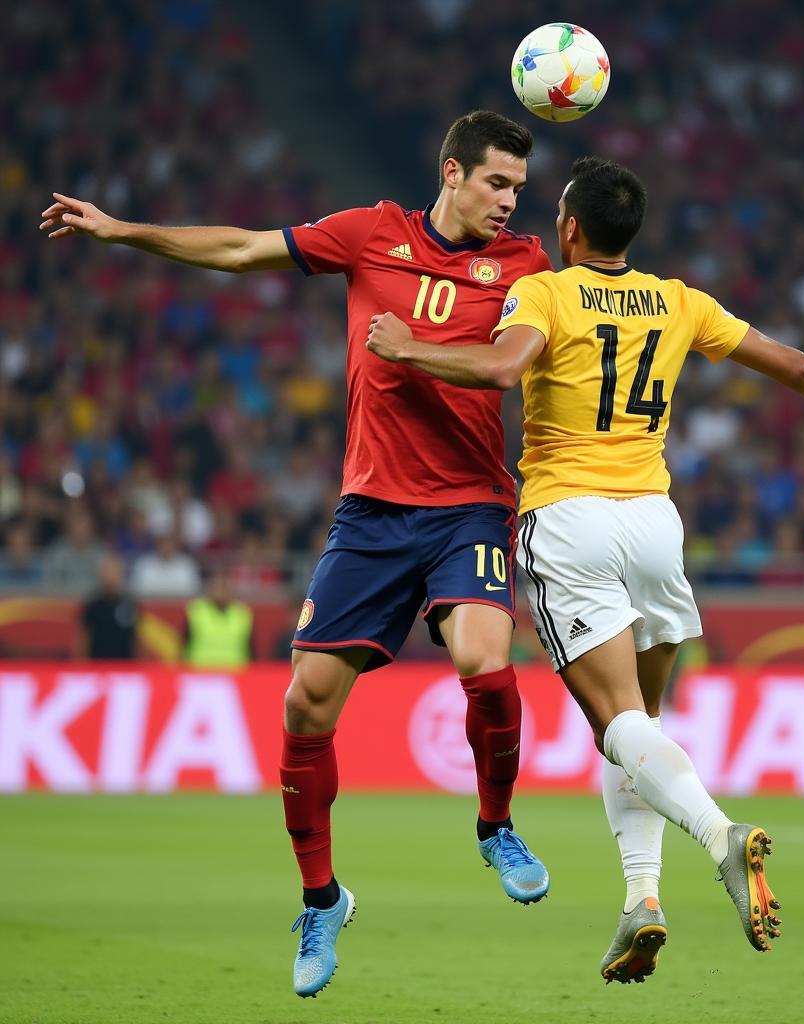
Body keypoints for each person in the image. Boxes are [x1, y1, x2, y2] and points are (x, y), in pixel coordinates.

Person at [366, 156, 804, 983]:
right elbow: (795, 364)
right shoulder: (678, 300)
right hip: (654, 524)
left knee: (616, 723)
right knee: (636, 729)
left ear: (570, 229)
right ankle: (641, 899)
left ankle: (719, 835)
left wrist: (410, 347)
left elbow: (502, 369)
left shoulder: (545, 289)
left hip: (569, 519)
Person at [41, 109, 551, 998]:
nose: (510, 201)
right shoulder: (369, 235)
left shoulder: (525, 268)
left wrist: (423, 351)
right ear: (452, 172)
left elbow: (522, 358)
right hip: (370, 514)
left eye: (518, 185)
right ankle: (322, 899)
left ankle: (495, 826)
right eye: (497, 182)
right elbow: (239, 249)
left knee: (485, 661)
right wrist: (122, 230)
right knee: (307, 708)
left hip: (468, 505)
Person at [182, 569, 253, 669]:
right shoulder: (196, 611)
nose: (221, 591)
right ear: (210, 589)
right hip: (200, 673)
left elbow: (251, 649)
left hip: (235, 674)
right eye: (217, 587)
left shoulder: (242, 614)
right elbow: (185, 643)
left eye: (225, 587)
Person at [78, 554, 138, 660]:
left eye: (115, 572)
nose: (111, 577)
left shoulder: (130, 604)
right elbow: (84, 637)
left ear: (121, 575)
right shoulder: (93, 604)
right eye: (107, 572)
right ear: (101, 575)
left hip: (125, 666)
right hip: (97, 664)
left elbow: (135, 638)